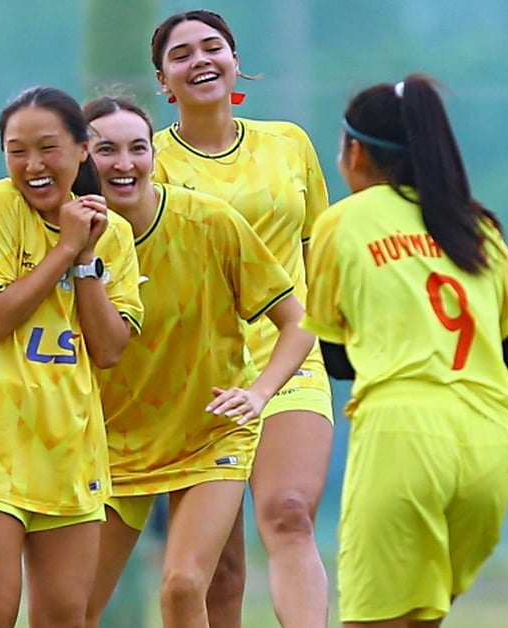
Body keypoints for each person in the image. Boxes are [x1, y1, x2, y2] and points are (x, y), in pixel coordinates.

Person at [304, 73, 508, 627]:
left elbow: (334, 359)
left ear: (355, 152)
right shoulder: (474, 227)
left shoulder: (343, 222)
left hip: (403, 434)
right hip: (491, 443)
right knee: (421, 620)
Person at [82, 96, 316, 628]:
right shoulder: (65, 240)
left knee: (186, 586)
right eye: (106, 150)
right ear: (80, 159)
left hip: (210, 437)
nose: (124, 164)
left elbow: (298, 322)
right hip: (110, 445)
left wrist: (258, 395)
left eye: (137, 148)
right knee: (70, 609)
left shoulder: (209, 221)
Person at [149, 10, 334, 627]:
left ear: (235, 62)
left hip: (290, 352)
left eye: (213, 47)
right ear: (163, 82)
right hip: (198, 372)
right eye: (182, 55)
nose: (200, 60)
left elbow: (317, 249)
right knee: (218, 570)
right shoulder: (147, 162)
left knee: (288, 511)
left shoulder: (289, 144)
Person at [0, 86, 144, 628]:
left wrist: (85, 259)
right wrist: (63, 247)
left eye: (47, 147)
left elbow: (107, 350)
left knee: (64, 617)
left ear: (82, 150)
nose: (32, 165)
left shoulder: (114, 235)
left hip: (70, 450)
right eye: (16, 150)